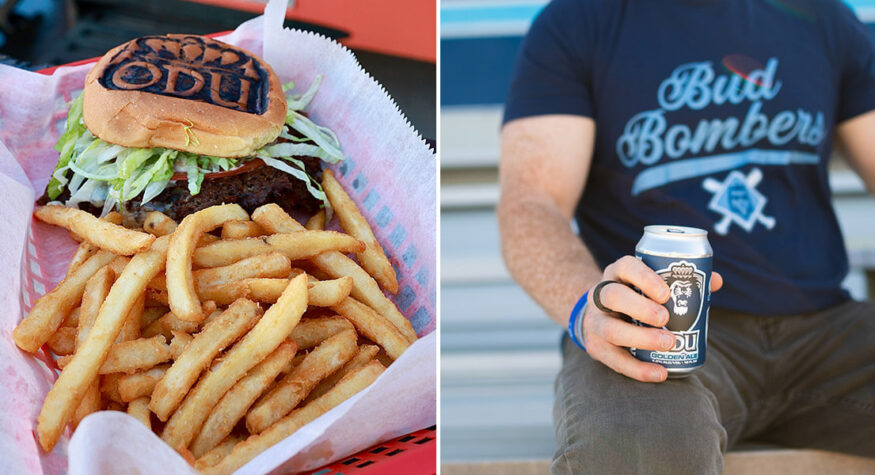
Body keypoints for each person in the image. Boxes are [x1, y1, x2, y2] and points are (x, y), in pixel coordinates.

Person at [497, 0, 875, 473]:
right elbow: (532, 206)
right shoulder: (578, 20)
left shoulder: (823, 15)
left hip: (830, 334)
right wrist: (586, 309)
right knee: (636, 450)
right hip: (656, 328)